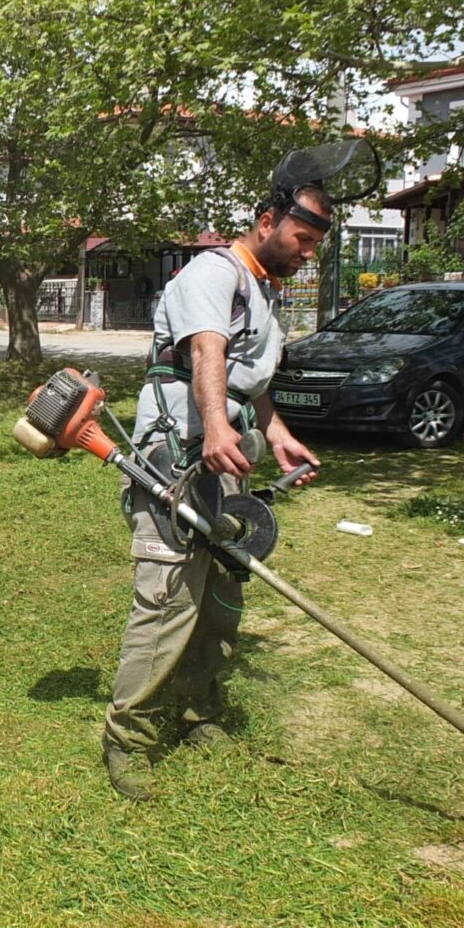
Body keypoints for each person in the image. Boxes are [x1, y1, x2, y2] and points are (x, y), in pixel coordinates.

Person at [102, 184, 326, 800]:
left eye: (316, 245)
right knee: (169, 597)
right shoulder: (212, 272)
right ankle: (128, 737)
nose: (308, 253)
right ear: (266, 222)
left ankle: (198, 708)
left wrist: (275, 434)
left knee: (224, 592)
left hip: (227, 458)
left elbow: (248, 380)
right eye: (302, 239)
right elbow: (208, 352)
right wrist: (216, 428)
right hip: (176, 458)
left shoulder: (263, 292)